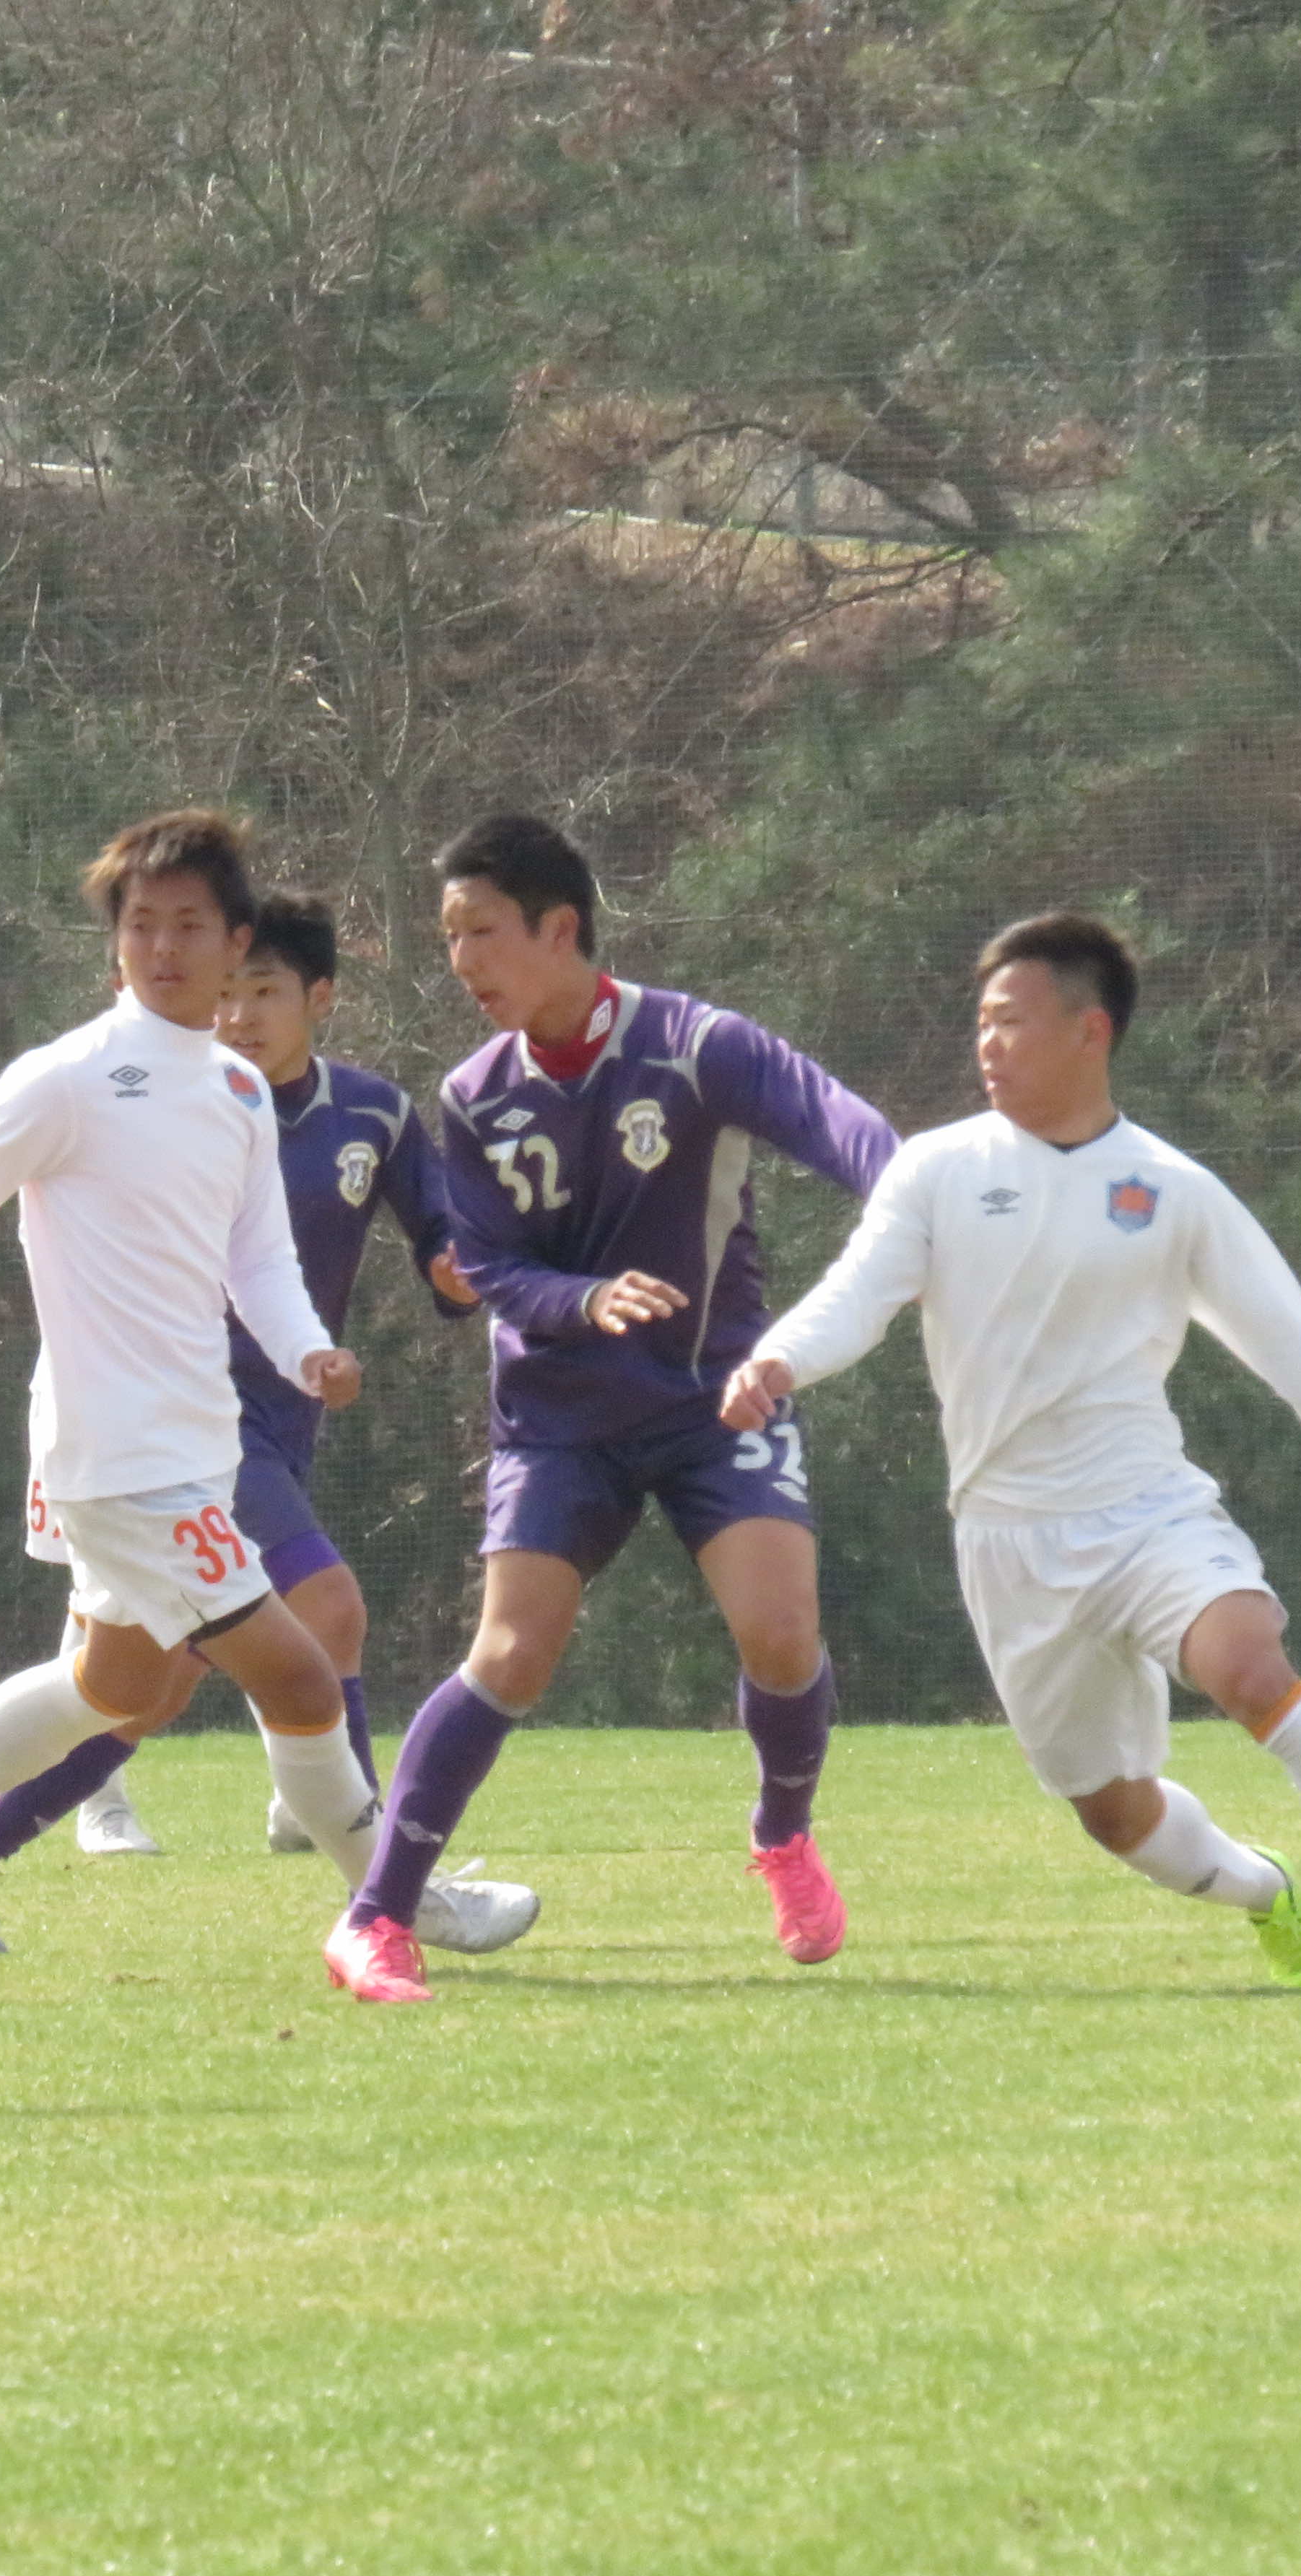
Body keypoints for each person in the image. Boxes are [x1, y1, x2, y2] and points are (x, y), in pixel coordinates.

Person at [720, 910, 1301, 1993]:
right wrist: (779, 1359)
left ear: (1091, 1031)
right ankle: (1266, 1892)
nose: (987, 1043)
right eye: (981, 1022)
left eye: (1011, 1021)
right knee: (1113, 1814)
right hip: (1008, 1544)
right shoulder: (937, 1170)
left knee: (1250, 1668)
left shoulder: (1173, 1190)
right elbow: (858, 1295)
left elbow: (1291, 1344)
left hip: (1147, 1512)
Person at [0, 813, 531, 1975]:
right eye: (141, 925)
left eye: (189, 926)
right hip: (123, 1460)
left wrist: (308, 1354)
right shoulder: (68, 1079)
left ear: (235, 941)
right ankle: (399, 1909)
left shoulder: (239, 1092)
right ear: (116, 946)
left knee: (119, 1686)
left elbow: (260, 1266)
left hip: (196, 1447)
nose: (162, 947)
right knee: (299, 1672)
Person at [334, 814, 899, 2005]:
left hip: (713, 1396)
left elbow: (842, 1126)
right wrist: (587, 1300)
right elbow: (489, 1266)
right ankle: (375, 1918)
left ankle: (783, 1836)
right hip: (561, 1416)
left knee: (780, 1635)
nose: (462, 961)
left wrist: (921, 1205)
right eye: (449, 938)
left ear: (561, 928)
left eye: (481, 932)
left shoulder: (697, 1047)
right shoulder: (474, 1096)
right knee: (510, 1656)